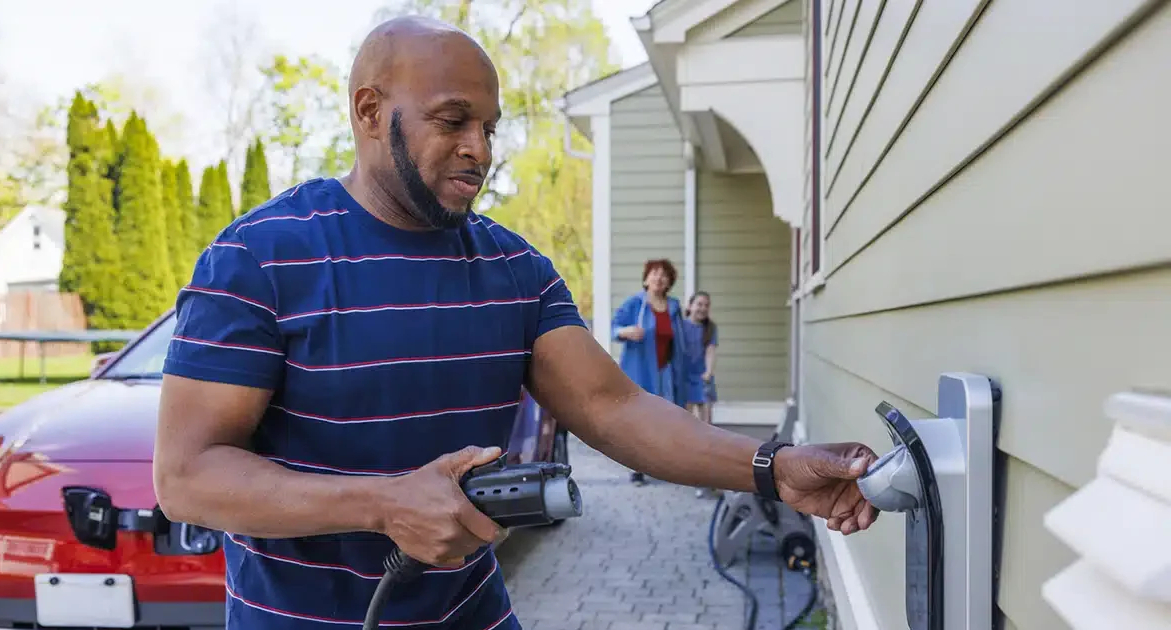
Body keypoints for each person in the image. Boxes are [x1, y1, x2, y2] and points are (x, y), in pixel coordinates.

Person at [152, 16, 880, 630]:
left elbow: (614, 407)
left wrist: (773, 469)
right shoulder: (259, 258)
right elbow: (186, 476)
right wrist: (382, 504)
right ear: (370, 112)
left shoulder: (515, 268)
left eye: (490, 127)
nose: (480, 148)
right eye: (452, 121)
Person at [611, 259, 691, 485]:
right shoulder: (635, 304)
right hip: (640, 370)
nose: (659, 278)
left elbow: (681, 340)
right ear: (646, 279)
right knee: (640, 419)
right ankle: (637, 467)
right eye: (654, 273)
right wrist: (626, 331)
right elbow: (613, 327)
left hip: (667, 371)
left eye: (664, 275)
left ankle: (664, 464)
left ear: (669, 282)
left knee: (667, 417)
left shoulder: (674, 307)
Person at [683, 290, 720, 497]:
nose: (703, 308)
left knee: (706, 428)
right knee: (688, 426)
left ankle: (707, 475)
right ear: (690, 306)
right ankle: (691, 471)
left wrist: (708, 372)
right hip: (684, 379)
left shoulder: (710, 328)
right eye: (699, 304)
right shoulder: (681, 325)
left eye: (706, 305)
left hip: (703, 379)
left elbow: (710, 352)